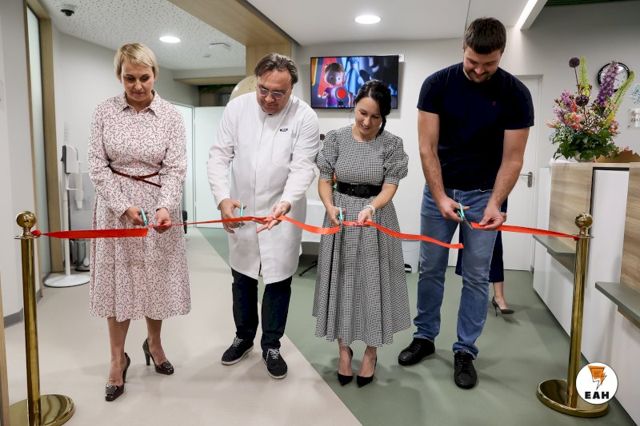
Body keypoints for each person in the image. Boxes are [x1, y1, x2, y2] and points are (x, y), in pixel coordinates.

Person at [398, 17, 533, 389]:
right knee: (430, 268)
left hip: (484, 195)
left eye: (489, 64)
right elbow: (427, 148)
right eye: (473, 61)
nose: (479, 70)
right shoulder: (436, 85)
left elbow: (513, 158)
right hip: (440, 191)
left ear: (501, 54)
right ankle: (424, 336)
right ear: (464, 47)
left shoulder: (516, 94)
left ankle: (465, 351)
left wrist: (496, 203)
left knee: (475, 276)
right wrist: (440, 195)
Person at [207, 53, 320, 380]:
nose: (269, 99)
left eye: (278, 93)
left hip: (281, 214)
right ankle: (243, 337)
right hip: (242, 210)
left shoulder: (305, 116)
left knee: (278, 281)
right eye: (263, 90)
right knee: (242, 278)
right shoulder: (237, 109)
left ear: (291, 89)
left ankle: (271, 344)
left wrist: (286, 202)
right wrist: (222, 199)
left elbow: (303, 167)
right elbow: (219, 156)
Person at [88, 43, 190, 402]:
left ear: (155, 75)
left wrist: (165, 207)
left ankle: (154, 344)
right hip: (116, 209)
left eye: (144, 77)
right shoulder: (104, 112)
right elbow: (97, 166)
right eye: (129, 78)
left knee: (153, 280)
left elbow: (175, 168)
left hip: (157, 208)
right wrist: (123, 206)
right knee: (119, 283)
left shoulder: (171, 116)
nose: (137, 85)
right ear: (119, 76)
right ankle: (117, 359)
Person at [313, 80, 410, 387]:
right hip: (340, 217)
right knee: (342, 282)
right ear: (354, 107)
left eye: (375, 117)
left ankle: (371, 352)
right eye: (362, 113)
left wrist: (372, 206)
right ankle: (344, 350)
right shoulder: (336, 139)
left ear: (384, 117)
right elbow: (324, 179)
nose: (366, 122)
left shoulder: (392, 145)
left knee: (373, 284)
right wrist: (329, 205)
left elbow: (390, 186)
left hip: (375, 219)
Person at [455, 203, 514, 315]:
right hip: (469, 206)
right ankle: (472, 295)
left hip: (491, 206)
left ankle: (499, 297)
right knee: (470, 251)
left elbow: (501, 190)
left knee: (495, 249)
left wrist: (503, 209)